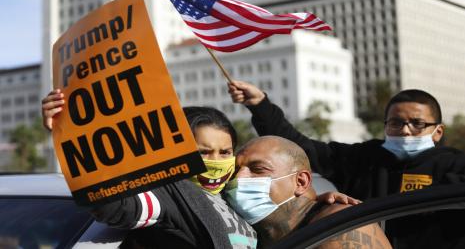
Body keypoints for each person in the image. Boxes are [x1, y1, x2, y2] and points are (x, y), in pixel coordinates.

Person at [42, 89, 358, 249]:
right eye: (203, 152)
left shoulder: (236, 201)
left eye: (225, 152)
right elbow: (114, 205)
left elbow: (287, 208)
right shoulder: (171, 193)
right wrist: (72, 138)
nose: (216, 160)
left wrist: (320, 202)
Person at [228, 80, 465, 248]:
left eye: (417, 124)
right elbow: (298, 149)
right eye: (395, 123)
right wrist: (261, 106)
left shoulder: (457, 166)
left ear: (437, 131)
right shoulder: (365, 159)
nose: (404, 130)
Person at [225, 135, 392, 249]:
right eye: (235, 170)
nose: (238, 178)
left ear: (301, 182)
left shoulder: (338, 227)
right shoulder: (247, 231)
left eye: (258, 169)